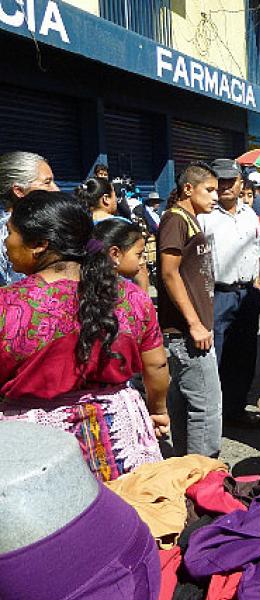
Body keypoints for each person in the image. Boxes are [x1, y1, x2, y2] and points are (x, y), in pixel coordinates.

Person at [0, 191, 169, 481]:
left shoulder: (7, 305)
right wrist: (159, 410)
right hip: (120, 437)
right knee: (125, 518)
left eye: (10, 233)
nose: (5, 242)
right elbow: (156, 366)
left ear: (40, 244)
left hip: (34, 448)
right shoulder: (131, 297)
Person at [157, 163, 221, 458]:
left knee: (186, 406)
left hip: (195, 330)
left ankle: (188, 473)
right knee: (206, 408)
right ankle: (204, 478)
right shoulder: (175, 219)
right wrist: (194, 323)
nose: (215, 197)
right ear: (188, 189)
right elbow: (169, 273)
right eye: (209, 190)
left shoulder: (191, 219)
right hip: (187, 333)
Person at [199, 159, 260, 430]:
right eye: (220, 181)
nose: (225, 186)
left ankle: (235, 409)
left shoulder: (250, 215)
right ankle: (211, 418)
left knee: (244, 355)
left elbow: (257, 254)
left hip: (247, 294)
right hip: (218, 295)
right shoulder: (204, 216)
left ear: (241, 184)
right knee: (213, 359)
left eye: (231, 181)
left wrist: (257, 284)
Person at [0, 151, 59, 286]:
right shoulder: (4, 233)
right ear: (19, 191)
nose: (56, 189)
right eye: (47, 182)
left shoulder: (53, 223)